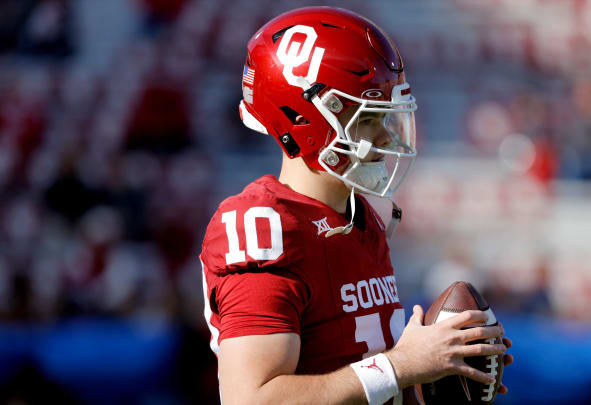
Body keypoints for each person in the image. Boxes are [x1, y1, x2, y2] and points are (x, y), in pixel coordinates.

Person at [199, 7, 512, 404]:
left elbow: (360, 373)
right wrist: (405, 364)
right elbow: (252, 398)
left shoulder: (362, 216)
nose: (385, 135)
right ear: (305, 118)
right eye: (367, 119)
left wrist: (443, 365)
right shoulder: (264, 224)